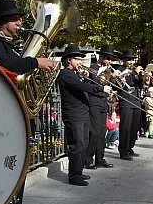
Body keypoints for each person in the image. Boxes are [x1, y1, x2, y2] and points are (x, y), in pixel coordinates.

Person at [0, 0, 54, 204]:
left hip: (9, 116)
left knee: (17, 170)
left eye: (20, 19)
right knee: (6, 170)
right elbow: (4, 65)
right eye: (16, 19)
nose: (20, 23)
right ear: (2, 22)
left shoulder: (8, 44)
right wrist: (34, 63)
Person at [57, 45, 112, 186]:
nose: (80, 62)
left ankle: (79, 171)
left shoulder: (75, 74)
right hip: (73, 114)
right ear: (69, 60)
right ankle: (74, 176)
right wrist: (100, 88)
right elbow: (81, 87)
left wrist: (83, 77)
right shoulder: (65, 74)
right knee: (77, 144)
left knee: (84, 143)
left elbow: (81, 84)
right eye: (78, 59)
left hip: (83, 112)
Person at [84, 45, 115, 169]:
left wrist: (114, 78)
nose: (109, 61)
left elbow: (110, 85)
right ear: (101, 57)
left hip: (103, 101)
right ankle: (88, 159)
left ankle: (100, 158)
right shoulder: (93, 68)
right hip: (94, 100)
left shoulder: (108, 70)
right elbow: (92, 82)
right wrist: (102, 72)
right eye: (107, 58)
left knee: (102, 131)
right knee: (95, 131)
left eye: (110, 58)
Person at [115, 49, 143, 161]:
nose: (131, 62)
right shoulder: (120, 70)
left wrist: (140, 77)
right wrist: (134, 73)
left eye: (132, 60)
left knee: (134, 126)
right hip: (126, 101)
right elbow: (122, 86)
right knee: (125, 127)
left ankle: (130, 147)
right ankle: (123, 150)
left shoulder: (133, 71)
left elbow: (139, 85)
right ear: (124, 60)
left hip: (136, 101)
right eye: (129, 60)